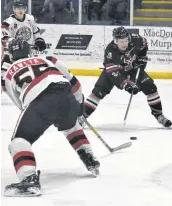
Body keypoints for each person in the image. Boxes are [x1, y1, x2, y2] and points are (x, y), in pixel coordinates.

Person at [2, 38, 100, 197]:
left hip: (40, 101)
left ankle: (29, 179)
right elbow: (76, 85)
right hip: (65, 93)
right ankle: (89, 158)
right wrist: (79, 107)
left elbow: (21, 104)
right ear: (29, 51)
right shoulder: (48, 59)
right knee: (71, 126)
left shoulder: (9, 72)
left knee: (19, 141)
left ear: (11, 55)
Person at [80, 27, 172, 128]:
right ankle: (81, 117)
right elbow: (113, 73)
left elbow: (144, 44)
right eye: (121, 41)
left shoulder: (135, 39)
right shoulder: (110, 52)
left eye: (125, 40)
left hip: (133, 69)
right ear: (115, 41)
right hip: (114, 71)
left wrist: (142, 59)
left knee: (151, 87)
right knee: (98, 92)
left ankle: (159, 115)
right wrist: (126, 84)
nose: (124, 44)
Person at [1, 0, 47, 83]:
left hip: (28, 53)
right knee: (3, 78)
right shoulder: (7, 23)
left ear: (25, 9)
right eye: (18, 8)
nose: (20, 10)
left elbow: (36, 32)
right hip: (11, 54)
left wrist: (39, 41)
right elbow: (4, 39)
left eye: (22, 8)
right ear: (14, 9)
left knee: (33, 76)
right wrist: (15, 43)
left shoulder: (30, 19)